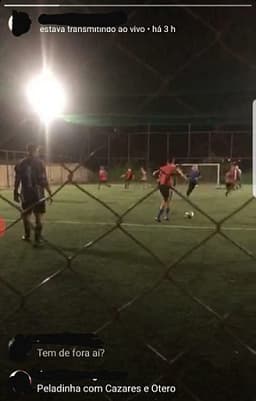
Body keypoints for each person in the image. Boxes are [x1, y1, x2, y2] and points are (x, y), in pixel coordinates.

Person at [14, 144, 52, 246]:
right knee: (38, 217)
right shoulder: (40, 163)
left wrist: (15, 192)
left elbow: (17, 179)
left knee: (25, 215)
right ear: (36, 150)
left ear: (27, 150)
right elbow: (43, 179)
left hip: (26, 194)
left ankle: (27, 236)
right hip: (38, 194)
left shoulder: (20, 163)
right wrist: (49, 192)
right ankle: (37, 239)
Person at [153, 158, 187, 222]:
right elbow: (179, 172)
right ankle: (158, 216)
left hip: (163, 186)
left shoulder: (164, 168)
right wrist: (185, 178)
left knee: (167, 201)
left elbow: (155, 173)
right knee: (165, 201)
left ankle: (165, 216)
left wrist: (157, 179)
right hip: (166, 186)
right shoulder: (173, 167)